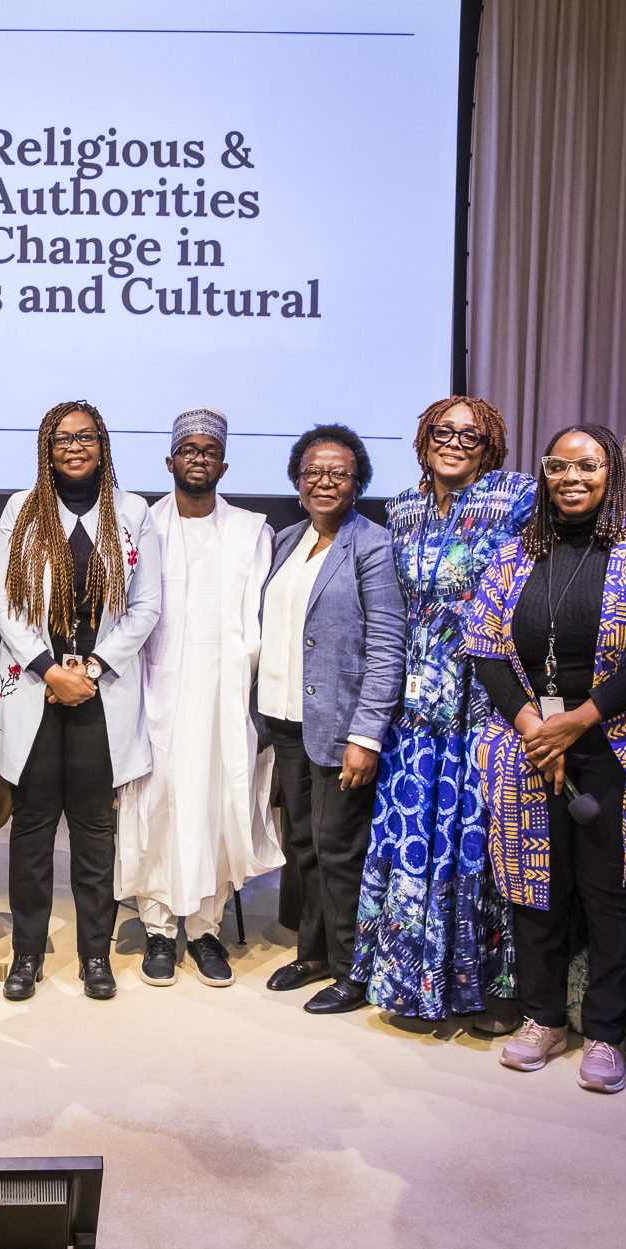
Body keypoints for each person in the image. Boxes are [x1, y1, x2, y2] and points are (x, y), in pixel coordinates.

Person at [467, 423, 626, 1093]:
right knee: (533, 887)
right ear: (543, 472)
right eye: (559, 466)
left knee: (610, 893)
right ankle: (543, 1018)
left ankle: (604, 1030)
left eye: (588, 466)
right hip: (527, 743)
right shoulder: (514, 553)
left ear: (612, 474)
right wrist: (535, 725)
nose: (572, 478)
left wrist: (578, 721)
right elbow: (484, 647)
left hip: (616, 742)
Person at [350, 397, 536, 1029]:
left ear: (492, 446)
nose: (455, 442)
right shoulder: (401, 508)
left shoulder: (519, 499)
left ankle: (489, 993)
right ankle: (410, 981)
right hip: (415, 703)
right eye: (443, 431)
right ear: (423, 439)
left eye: (471, 435)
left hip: (489, 697)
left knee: (482, 844)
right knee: (412, 838)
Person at [0, 401, 161, 1001]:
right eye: (61, 438)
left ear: (102, 444)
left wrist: (95, 668)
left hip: (99, 695)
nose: (73, 446)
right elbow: (3, 606)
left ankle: (94, 958)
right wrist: (52, 671)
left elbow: (146, 608)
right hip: (39, 688)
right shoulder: (19, 511)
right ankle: (26, 955)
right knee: (30, 829)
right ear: (45, 448)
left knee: (92, 831)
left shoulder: (131, 513)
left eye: (84, 437)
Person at [115, 407, 279, 988]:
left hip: (224, 700)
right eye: (190, 450)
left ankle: (206, 929)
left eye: (210, 451)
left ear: (224, 464)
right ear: (171, 461)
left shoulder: (251, 532)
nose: (200, 459)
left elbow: (265, 621)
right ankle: (159, 929)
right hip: (153, 693)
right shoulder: (142, 527)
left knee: (215, 807)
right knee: (157, 806)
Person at [259, 426, 408, 1015]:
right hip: (287, 719)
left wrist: (366, 735)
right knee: (302, 845)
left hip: (343, 724)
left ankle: (354, 970)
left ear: (358, 484)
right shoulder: (287, 540)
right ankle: (314, 951)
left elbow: (388, 643)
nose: (324, 481)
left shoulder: (372, 545)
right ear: (298, 483)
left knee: (338, 848)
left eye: (338, 473)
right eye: (313, 472)